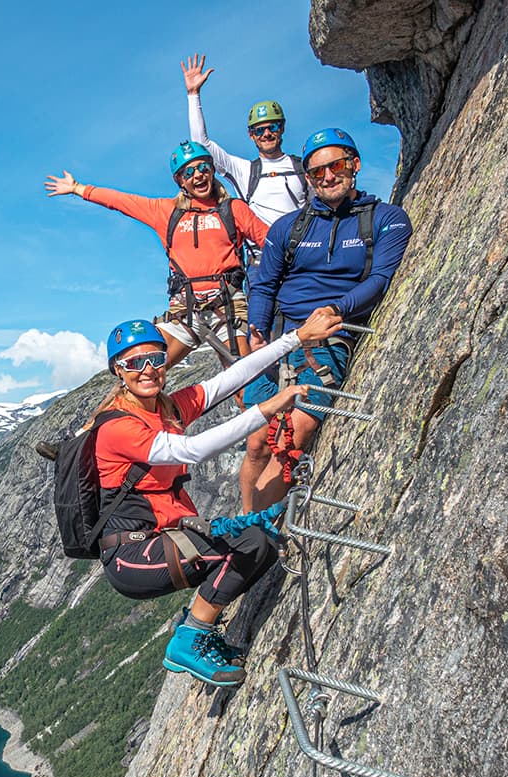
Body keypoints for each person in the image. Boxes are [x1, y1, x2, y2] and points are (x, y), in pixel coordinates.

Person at [94, 309, 344, 686]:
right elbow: (191, 450)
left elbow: (229, 380)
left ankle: (198, 627)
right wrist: (268, 408)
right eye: (134, 363)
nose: (148, 370)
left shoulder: (167, 408)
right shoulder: (118, 427)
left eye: (156, 359)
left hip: (158, 541)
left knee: (261, 544)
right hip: (130, 556)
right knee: (247, 543)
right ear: (119, 370)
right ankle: (189, 638)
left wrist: (296, 338)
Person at [239, 127, 413, 511]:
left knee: (293, 433)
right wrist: (257, 328)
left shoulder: (386, 219)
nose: (328, 177)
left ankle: (252, 532)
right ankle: (244, 523)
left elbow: (380, 279)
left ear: (355, 164)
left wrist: (337, 309)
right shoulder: (289, 227)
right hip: (281, 339)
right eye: (317, 172)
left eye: (336, 166)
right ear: (308, 178)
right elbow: (264, 283)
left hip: (328, 338)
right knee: (256, 442)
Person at [44, 142, 268, 368]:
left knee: (245, 380)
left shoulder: (234, 209)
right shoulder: (166, 211)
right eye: (189, 172)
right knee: (144, 368)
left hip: (228, 307)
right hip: (185, 310)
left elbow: (270, 242)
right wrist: (78, 188)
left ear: (211, 170)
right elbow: (122, 201)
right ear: (180, 181)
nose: (198, 175)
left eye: (203, 168)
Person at [182, 53, 308, 227]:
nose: (266, 134)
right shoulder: (244, 171)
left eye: (272, 127)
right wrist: (193, 94)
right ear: (251, 135)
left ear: (282, 128)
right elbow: (201, 145)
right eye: (259, 130)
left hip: (301, 243)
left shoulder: (303, 167)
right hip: (262, 245)